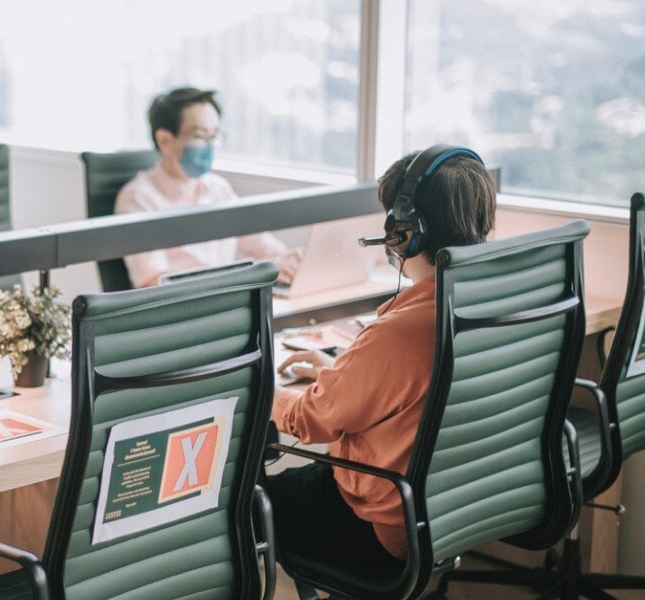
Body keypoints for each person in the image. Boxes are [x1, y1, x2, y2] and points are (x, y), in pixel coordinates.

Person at [264, 147, 496, 591]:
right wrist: (340, 370)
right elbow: (408, 380)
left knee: (249, 498)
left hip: (385, 527)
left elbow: (310, 420)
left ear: (406, 231)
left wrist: (257, 390)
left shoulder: (405, 330)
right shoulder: (494, 299)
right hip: (457, 507)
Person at [114, 87, 300, 288]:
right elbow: (151, 281)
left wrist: (291, 260)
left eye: (214, 136)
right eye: (200, 136)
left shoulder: (217, 189)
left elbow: (269, 249)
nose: (209, 146)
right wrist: (244, 274)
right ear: (165, 141)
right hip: (180, 311)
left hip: (227, 302)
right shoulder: (139, 198)